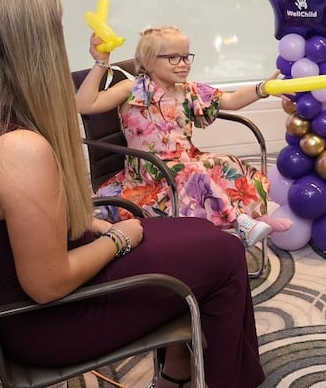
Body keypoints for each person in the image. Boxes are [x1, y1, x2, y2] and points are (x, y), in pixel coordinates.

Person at [0, 0, 264, 388]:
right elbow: (48, 285)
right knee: (223, 255)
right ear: (35, 46)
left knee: (196, 234)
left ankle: (177, 377)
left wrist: (95, 225)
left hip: (36, 298)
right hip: (49, 323)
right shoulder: (18, 150)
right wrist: (118, 236)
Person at [75, 26, 291, 247]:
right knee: (193, 172)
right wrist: (101, 63)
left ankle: (255, 217)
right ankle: (239, 221)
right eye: (172, 58)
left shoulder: (189, 91)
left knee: (228, 164)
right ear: (148, 62)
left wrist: (263, 88)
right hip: (150, 171)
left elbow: (232, 100)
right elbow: (84, 104)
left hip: (186, 159)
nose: (183, 63)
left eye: (186, 57)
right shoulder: (134, 89)